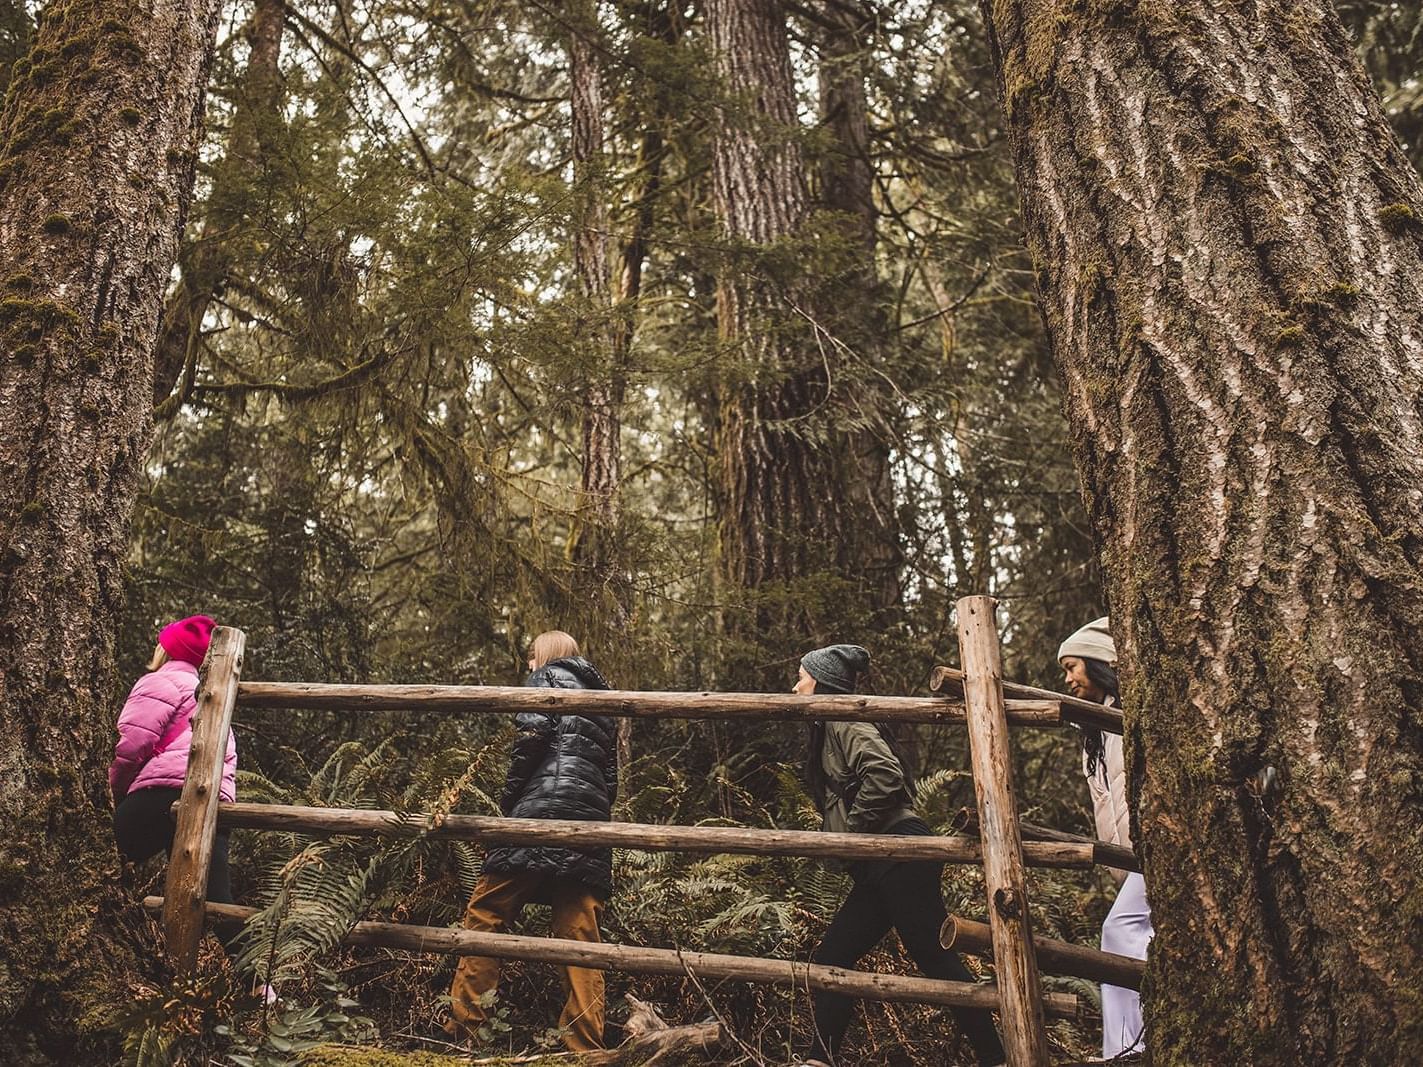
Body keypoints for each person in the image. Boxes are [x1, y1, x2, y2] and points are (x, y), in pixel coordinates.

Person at [793, 644, 1005, 1067]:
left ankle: (996, 1057)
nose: (795, 685)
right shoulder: (832, 725)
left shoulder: (842, 719)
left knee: (933, 954)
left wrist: (853, 834)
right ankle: (820, 1059)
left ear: (820, 682)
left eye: (801, 676)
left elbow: (885, 774)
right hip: (884, 861)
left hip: (900, 852)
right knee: (836, 955)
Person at [445, 630, 618, 1053]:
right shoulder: (604, 702)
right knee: (579, 934)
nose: (527, 665)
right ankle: (584, 1046)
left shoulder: (546, 679)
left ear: (543, 656)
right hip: (588, 820)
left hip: (538, 808)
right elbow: (610, 777)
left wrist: (511, 803)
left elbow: (529, 741)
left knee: (487, 913)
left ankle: (468, 1031)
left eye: (530, 657)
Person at [1059, 617, 1152, 1059]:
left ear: (1099, 664)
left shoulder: (1129, 715)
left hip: (1154, 853)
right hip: (1131, 861)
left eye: (1073, 667)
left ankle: (1127, 1046)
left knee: (1119, 927)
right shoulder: (1093, 734)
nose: (1068, 679)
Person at [110, 615, 236, 910]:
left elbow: (129, 746)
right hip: (214, 799)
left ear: (166, 650)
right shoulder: (208, 696)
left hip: (164, 794)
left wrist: (111, 794)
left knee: (91, 861)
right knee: (216, 898)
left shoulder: (161, 681)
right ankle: (255, 955)